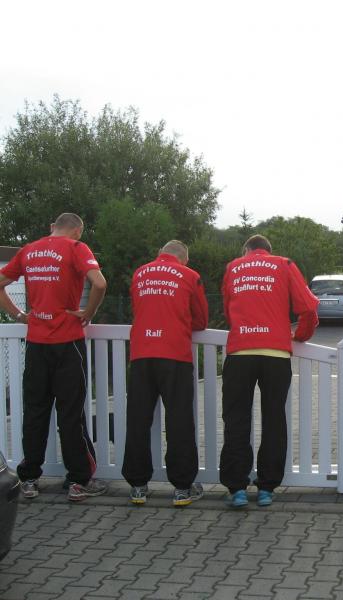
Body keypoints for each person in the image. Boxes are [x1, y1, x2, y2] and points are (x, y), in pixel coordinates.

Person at [0, 212, 108, 502]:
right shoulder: (76, 248)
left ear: (52, 227)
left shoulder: (29, 250)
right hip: (67, 342)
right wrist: (88, 313)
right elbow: (99, 284)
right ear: (78, 231)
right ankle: (78, 481)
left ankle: (29, 479)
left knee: (35, 411)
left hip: (37, 343)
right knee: (71, 414)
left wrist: (19, 315)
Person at [219, 234, 319, 508]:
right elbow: (309, 307)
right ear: (268, 250)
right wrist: (301, 335)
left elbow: (228, 308)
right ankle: (266, 488)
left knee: (236, 420)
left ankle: (237, 489)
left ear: (247, 250)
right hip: (276, 353)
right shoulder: (284, 264)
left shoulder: (233, 267)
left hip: (240, 351)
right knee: (274, 420)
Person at [122, 240, 209, 507]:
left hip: (141, 354)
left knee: (138, 420)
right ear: (184, 259)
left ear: (160, 254)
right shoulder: (190, 276)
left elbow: (137, 309)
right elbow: (201, 320)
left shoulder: (140, 273)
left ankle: (137, 486)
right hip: (174, 354)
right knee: (179, 420)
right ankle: (182, 487)